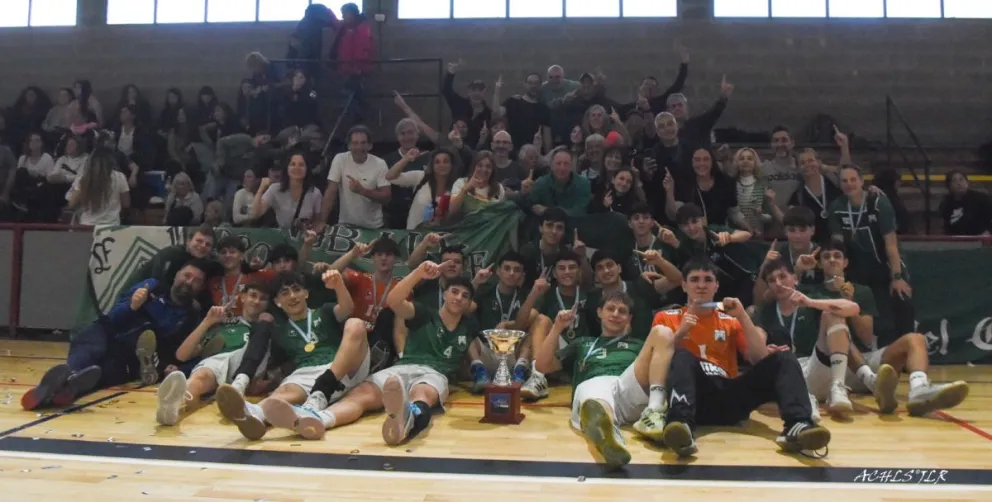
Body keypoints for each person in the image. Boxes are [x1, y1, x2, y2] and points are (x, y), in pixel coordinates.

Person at [265, 261, 477, 443]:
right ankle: (319, 419)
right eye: (454, 292)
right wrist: (419, 273)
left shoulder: (469, 327)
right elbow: (393, 301)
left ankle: (407, 420)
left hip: (433, 373)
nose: (458, 298)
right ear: (444, 294)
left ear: (470, 304)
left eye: (465, 296)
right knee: (361, 395)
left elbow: (478, 356)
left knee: (422, 395)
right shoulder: (424, 314)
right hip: (402, 367)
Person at [651, 259, 829, 457]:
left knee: (784, 357)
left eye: (708, 280)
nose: (701, 285)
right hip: (696, 397)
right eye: (694, 280)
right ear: (684, 285)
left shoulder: (730, 320)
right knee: (683, 355)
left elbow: (758, 358)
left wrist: (743, 316)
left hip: (730, 396)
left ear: (716, 285)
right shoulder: (665, 317)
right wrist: (681, 332)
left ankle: (799, 425)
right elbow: (658, 361)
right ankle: (680, 425)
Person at [804, 240, 969, 416]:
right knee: (837, 320)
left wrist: (851, 302)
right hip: (827, 365)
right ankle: (871, 383)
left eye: (837, 256)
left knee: (915, 339)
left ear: (845, 262)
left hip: (863, 363)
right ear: (820, 264)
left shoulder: (861, 291)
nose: (832, 260)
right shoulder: (812, 293)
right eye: (826, 256)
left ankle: (919, 389)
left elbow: (866, 337)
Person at [23, 260, 211, 410]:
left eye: (197, 281)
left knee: (101, 373)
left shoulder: (191, 318)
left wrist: (179, 369)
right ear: (177, 274)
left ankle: (68, 388)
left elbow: (182, 353)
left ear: (200, 288)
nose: (189, 282)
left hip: (129, 357)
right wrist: (132, 307)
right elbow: (114, 318)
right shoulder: (152, 287)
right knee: (92, 348)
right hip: (109, 334)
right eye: (187, 275)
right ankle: (68, 377)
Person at [214, 270, 364, 440]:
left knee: (355, 324)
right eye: (285, 293)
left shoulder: (324, 311)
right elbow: (276, 363)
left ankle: (320, 394)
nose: (292, 296)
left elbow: (347, 308)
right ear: (277, 302)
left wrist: (338, 285)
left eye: (296, 290)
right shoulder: (281, 332)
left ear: (306, 293)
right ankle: (254, 414)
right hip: (307, 372)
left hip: (343, 366)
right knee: (285, 391)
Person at [535, 291, 678, 467]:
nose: (616, 314)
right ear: (599, 312)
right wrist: (557, 327)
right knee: (597, 398)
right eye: (610, 309)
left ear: (629, 318)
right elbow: (542, 366)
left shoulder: (638, 345)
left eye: (622, 311)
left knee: (662, 332)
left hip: (629, 389)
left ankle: (654, 410)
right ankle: (610, 438)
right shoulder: (582, 343)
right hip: (595, 385)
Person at [155, 281, 272, 425]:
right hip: (219, 363)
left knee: (247, 348)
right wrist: (207, 322)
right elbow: (182, 355)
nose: (257, 301)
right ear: (242, 297)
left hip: (250, 367)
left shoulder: (269, 328)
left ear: (268, 304)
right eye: (253, 295)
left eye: (263, 298)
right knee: (201, 376)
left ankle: (237, 386)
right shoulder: (224, 325)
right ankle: (173, 406)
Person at [756, 258, 862, 415]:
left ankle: (838, 387)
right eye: (772, 280)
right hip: (788, 373)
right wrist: (764, 351)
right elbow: (757, 342)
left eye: (782, 276)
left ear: (795, 278)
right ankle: (806, 402)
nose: (778, 283)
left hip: (814, 366)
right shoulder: (765, 312)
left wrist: (811, 302)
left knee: (832, 314)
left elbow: (853, 308)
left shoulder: (810, 299)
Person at [828, 164, 914, 343]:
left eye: (853, 179)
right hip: (858, 267)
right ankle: (862, 348)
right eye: (844, 180)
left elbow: (891, 244)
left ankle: (909, 346)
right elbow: (838, 247)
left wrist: (897, 276)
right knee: (854, 301)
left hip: (886, 263)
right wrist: (839, 275)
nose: (849, 184)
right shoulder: (836, 207)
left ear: (862, 181)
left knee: (901, 295)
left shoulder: (878, 202)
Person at [515, 251, 592, 401]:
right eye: (562, 268)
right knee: (542, 320)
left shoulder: (590, 294)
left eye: (572, 267)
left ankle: (542, 374)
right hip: (555, 353)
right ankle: (538, 377)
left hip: (581, 353)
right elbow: (520, 325)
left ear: (579, 271)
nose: (567, 272)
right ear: (555, 273)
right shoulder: (547, 295)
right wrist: (534, 293)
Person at [325, 237, 403, 371]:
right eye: (379, 254)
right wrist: (353, 254)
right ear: (372, 258)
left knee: (388, 315)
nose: (383, 258)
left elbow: (401, 326)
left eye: (388, 254)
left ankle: (375, 362)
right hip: (354, 336)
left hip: (381, 343)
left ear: (396, 259)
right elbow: (332, 272)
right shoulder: (359, 278)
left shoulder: (401, 287)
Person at [671, 203, 757, 306]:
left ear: (702, 220)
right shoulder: (685, 246)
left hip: (743, 280)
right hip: (718, 288)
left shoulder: (714, 231)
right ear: (680, 228)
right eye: (685, 225)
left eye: (694, 221)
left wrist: (730, 238)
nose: (691, 228)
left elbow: (746, 234)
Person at [469, 251, 530, 392]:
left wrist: (507, 324)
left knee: (531, 335)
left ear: (522, 275)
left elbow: (533, 316)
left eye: (517, 270)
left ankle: (520, 372)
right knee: (465, 330)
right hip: (487, 352)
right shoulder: (484, 293)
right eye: (507, 268)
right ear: (498, 271)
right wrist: (476, 282)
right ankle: (479, 371)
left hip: (514, 354)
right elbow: (464, 309)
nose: (511, 273)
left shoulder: (526, 295)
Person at [320, 125, 391, 228]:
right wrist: (322, 221)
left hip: (374, 227)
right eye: (355, 143)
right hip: (345, 225)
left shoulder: (380, 164)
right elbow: (330, 193)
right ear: (349, 146)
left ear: (370, 146)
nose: (359, 147)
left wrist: (362, 191)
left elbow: (387, 198)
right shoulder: (340, 159)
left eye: (363, 143)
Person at [65, 147, 130, 225]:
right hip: (112, 226)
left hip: (87, 226)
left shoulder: (84, 178)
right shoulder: (120, 176)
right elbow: (126, 203)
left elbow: (71, 204)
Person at [939, 170, 992, 236]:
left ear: (967, 182)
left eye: (961, 179)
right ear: (949, 186)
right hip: (956, 242)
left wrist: (988, 232)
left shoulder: (981, 199)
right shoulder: (946, 204)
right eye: (954, 180)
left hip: (980, 240)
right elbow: (946, 227)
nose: (958, 183)